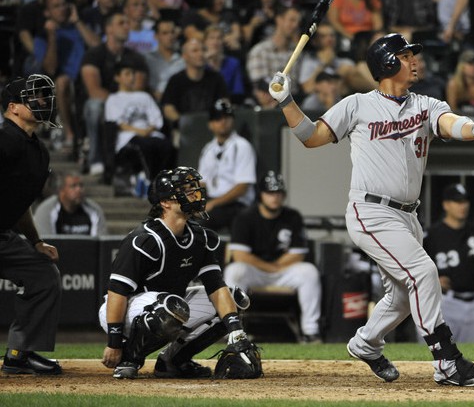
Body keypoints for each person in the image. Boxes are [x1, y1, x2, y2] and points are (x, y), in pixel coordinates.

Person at [268, 32, 474, 386]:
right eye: (406, 56)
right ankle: (446, 360)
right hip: (370, 209)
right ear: (388, 63)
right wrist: (286, 102)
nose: (414, 60)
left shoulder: (425, 104)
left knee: (404, 296)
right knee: (423, 272)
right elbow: (311, 137)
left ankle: (366, 343)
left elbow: (450, 122)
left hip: (408, 215)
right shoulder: (357, 104)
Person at [99, 166, 260, 379]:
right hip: (124, 311)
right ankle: (130, 359)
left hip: (171, 305)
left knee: (233, 299)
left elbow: (216, 286)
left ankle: (173, 361)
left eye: (194, 188)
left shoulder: (199, 237)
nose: (195, 193)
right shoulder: (145, 239)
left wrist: (236, 331)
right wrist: (114, 342)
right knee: (171, 306)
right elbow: (117, 292)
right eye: (185, 189)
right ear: (165, 202)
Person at [0, 74, 62, 375]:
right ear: (13, 107)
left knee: (43, 275)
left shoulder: (38, 151)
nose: (42, 102)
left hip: (4, 234)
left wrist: (36, 242)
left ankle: (18, 354)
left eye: (43, 96)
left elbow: (20, 203)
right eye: (33, 97)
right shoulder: (3, 140)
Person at [225, 170, 322, 343]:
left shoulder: (293, 216)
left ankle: (310, 331)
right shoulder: (245, 217)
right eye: (270, 193)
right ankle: (232, 329)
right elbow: (240, 255)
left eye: (278, 192)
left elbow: (298, 254)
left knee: (309, 272)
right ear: (260, 194)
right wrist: (270, 267)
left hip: (282, 271)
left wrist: (276, 268)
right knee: (234, 270)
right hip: (255, 271)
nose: (274, 197)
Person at [423, 183, 474, 343]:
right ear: (446, 205)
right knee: (441, 350)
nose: (463, 206)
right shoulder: (432, 234)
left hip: (473, 302)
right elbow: (415, 266)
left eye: (465, 201)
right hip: (444, 301)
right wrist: (433, 280)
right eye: (457, 201)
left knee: (472, 354)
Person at [80, 11, 149, 177]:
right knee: (95, 106)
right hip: (104, 103)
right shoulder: (94, 55)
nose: (127, 27)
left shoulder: (136, 58)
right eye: (121, 23)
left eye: (127, 23)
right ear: (108, 29)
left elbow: (138, 89)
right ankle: (95, 158)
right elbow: (94, 90)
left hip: (128, 105)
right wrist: (117, 102)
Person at [33, 0, 101, 150]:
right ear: (47, 13)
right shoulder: (42, 36)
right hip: (65, 80)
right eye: (56, 7)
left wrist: (77, 22)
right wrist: (52, 35)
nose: (62, 9)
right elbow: (50, 68)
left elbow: (99, 48)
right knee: (61, 83)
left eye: (64, 4)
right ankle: (69, 134)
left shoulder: (80, 26)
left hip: (88, 76)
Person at [104, 61, 175, 180]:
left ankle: (164, 180)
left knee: (166, 146)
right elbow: (116, 123)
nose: (131, 78)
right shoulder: (113, 99)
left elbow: (156, 118)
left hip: (149, 133)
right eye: (127, 74)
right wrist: (140, 131)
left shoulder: (144, 96)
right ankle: (149, 180)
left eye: (133, 74)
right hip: (128, 136)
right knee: (144, 146)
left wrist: (148, 130)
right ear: (117, 78)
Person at [197, 100, 257, 232]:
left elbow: (242, 187)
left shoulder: (242, 146)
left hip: (237, 205)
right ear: (210, 124)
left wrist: (213, 204)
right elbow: (202, 182)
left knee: (202, 224)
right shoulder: (208, 148)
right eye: (218, 118)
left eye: (226, 117)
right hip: (213, 203)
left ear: (232, 120)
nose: (222, 121)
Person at [161, 38, 229, 145]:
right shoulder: (176, 80)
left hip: (211, 127)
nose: (201, 54)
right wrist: (182, 122)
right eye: (195, 51)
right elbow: (168, 108)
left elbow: (224, 102)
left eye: (203, 50)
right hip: (184, 129)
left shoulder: (216, 78)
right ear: (184, 56)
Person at [246, 6, 303, 98]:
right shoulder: (260, 51)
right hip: (268, 106)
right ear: (279, 20)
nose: (295, 25)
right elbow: (260, 86)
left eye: (297, 22)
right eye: (292, 20)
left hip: (293, 104)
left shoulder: (296, 53)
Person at [33, 171, 108, 236]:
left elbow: (100, 242)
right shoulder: (46, 210)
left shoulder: (94, 210)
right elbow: (46, 244)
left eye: (81, 186)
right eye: (73, 186)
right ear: (61, 191)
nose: (79, 190)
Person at [143, 18, 185, 102]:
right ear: (156, 36)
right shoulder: (147, 58)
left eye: (172, 32)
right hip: (152, 101)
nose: (170, 36)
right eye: (165, 33)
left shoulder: (184, 60)